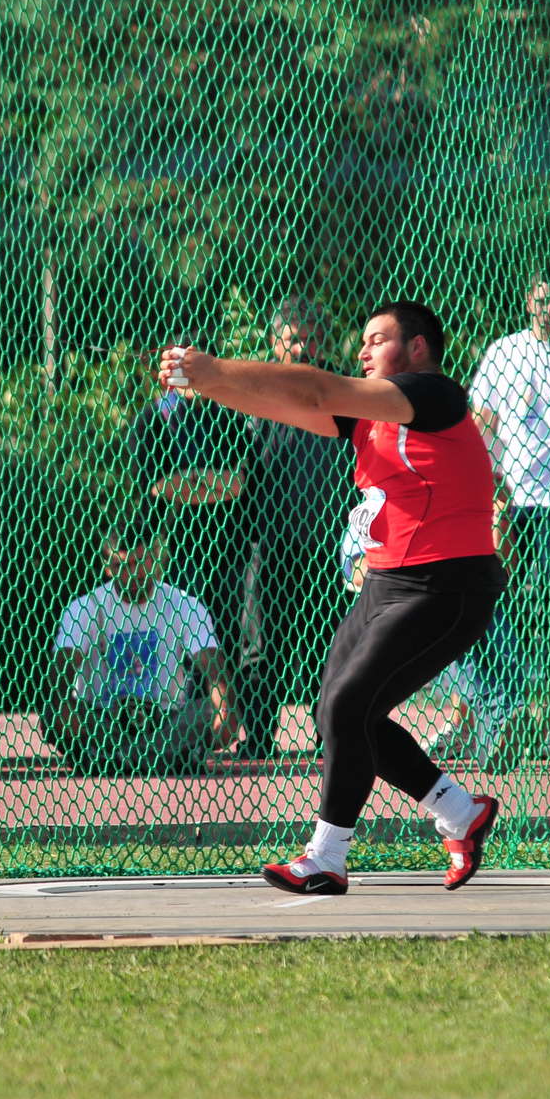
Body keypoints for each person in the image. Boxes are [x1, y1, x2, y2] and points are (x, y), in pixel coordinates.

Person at [158, 299, 505, 895]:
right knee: (338, 714)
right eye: (363, 340)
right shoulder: (371, 414)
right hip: (388, 581)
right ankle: (459, 812)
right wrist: (211, 386)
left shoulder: (431, 393)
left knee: (347, 707)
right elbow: (288, 404)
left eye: (377, 340)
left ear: (417, 348)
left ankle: (326, 857)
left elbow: (316, 389)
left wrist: (213, 368)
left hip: (448, 584)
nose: (363, 350)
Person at [468, 277, 550, 763]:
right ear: (529, 301)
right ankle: (502, 714)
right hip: (510, 501)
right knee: (496, 608)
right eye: (542, 302)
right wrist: (490, 498)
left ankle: (543, 722)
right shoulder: (503, 353)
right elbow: (480, 428)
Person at [239, 299, 352, 756]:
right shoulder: (258, 391)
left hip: (330, 543)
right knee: (261, 642)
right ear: (274, 343)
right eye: (292, 339)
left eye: (311, 339)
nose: (303, 348)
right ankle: (259, 740)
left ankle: (330, 736)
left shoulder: (342, 391)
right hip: (270, 542)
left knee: (333, 643)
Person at [46, 520, 241, 776]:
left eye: (140, 562)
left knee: (209, 709)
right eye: (122, 565)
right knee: (53, 710)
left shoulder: (183, 604)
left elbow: (212, 664)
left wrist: (224, 709)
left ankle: (113, 759)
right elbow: (63, 665)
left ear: (155, 558)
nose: (132, 574)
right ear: (107, 567)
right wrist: (63, 707)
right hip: (104, 721)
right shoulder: (86, 606)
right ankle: (158, 759)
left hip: (164, 722)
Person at [125, 350, 252, 727]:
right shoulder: (153, 418)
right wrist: (207, 484)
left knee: (229, 630)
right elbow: (152, 486)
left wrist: (189, 485)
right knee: (180, 633)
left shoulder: (228, 415)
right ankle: (184, 722)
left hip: (229, 543)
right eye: (176, 365)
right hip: (174, 546)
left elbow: (238, 481)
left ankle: (233, 722)